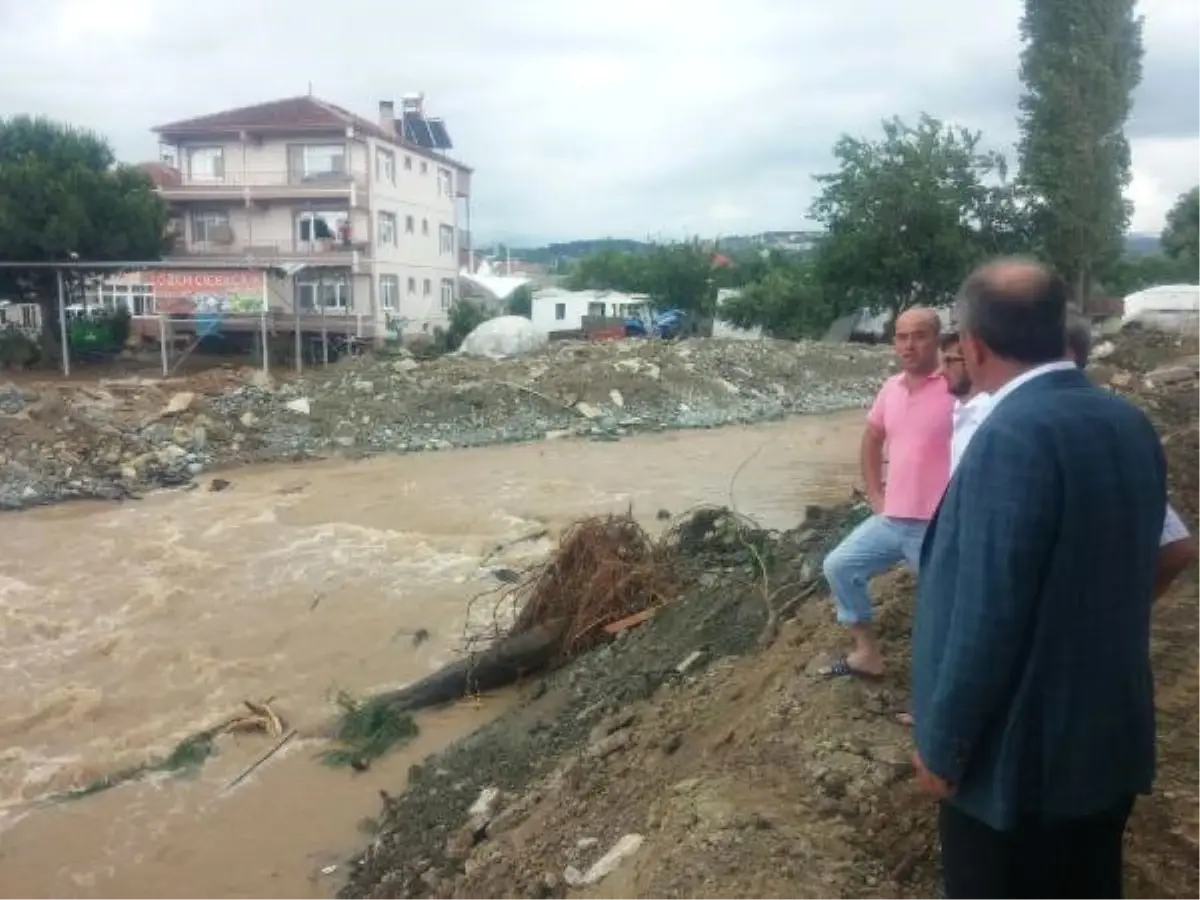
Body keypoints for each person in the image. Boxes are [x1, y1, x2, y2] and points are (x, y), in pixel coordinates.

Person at [911, 259, 1165, 899]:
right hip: (1108, 740)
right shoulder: (1126, 422)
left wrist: (944, 748)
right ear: (1062, 327)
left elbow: (986, 617)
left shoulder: (1012, 436)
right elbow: (1159, 553)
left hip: (1019, 768)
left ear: (972, 344)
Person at [943, 320, 1197, 597]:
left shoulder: (1045, 432)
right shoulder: (982, 417)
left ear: (1066, 357)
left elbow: (1176, 548)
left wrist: (1114, 611)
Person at [820, 307, 954, 679]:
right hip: (893, 518)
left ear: (937, 339)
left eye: (919, 335)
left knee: (943, 613)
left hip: (939, 526)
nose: (909, 345)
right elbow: (872, 439)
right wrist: (875, 493)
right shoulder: (890, 388)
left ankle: (942, 695)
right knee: (840, 566)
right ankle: (867, 654)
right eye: (901, 336)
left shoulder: (957, 387)